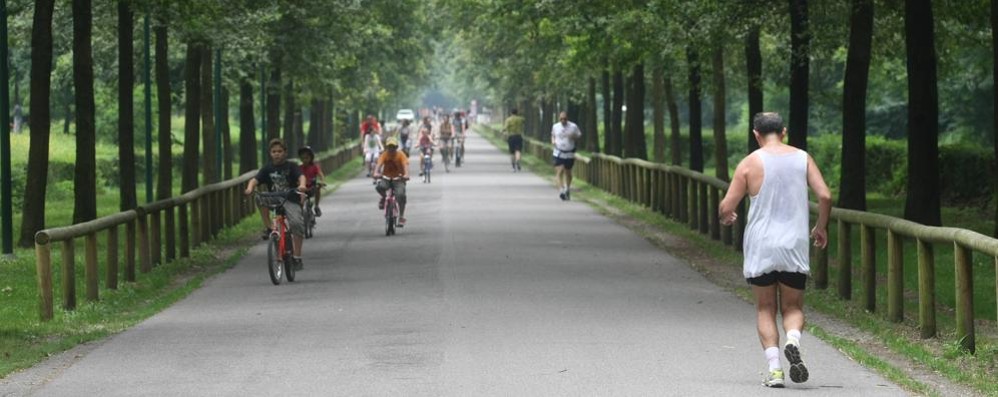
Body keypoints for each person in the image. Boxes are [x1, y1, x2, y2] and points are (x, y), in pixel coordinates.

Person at [718, 112, 831, 388]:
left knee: (765, 308)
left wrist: (726, 215)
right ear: (784, 131)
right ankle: (793, 340)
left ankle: (776, 371)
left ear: (756, 134)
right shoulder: (803, 158)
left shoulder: (749, 163)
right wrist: (821, 226)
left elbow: (726, 206)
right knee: (792, 306)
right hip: (793, 244)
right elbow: (825, 195)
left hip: (761, 246)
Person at [244, 138, 308, 270]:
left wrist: (302, 185)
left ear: (285, 152)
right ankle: (269, 227)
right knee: (259, 198)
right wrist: (250, 188)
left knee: (296, 223)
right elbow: (255, 180)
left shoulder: (292, 166)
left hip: (290, 198)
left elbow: (301, 176)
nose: (277, 154)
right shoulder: (267, 168)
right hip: (273, 198)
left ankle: (297, 257)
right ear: (270, 153)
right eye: (274, 151)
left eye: (279, 151)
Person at [373, 137, 410, 226]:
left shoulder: (401, 155)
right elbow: (378, 166)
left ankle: (401, 216)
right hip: (386, 178)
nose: (391, 149)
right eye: (389, 147)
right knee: (380, 187)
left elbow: (405, 166)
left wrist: (406, 175)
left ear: (396, 147)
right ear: (387, 147)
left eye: (393, 146)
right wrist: (376, 173)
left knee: (401, 195)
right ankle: (383, 197)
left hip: (399, 179)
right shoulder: (384, 155)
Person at [550, 112, 582, 201]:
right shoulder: (555, 126)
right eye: (561, 119)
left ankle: (567, 188)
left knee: (568, 172)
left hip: (569, 152)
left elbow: (579, 136)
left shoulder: (573, 126)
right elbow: (553, 135)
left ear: (567, 118)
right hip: (558, 151)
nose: (563, 120)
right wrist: (553, 141)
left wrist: (573, 136)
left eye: (565, 119)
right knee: (559, 171)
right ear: (559, 118)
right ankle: (562, 190)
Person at [298, 146, 326, 217]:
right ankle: (300, 211)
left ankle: (316, 206)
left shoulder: (314, 167)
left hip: (311, 187)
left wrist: (322, 182)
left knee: (317, 188)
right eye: (303, 158)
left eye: (307, 158)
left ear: (311, 158)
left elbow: (320, 175)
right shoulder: (299, 168)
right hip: (302, 188)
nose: (305, 160)